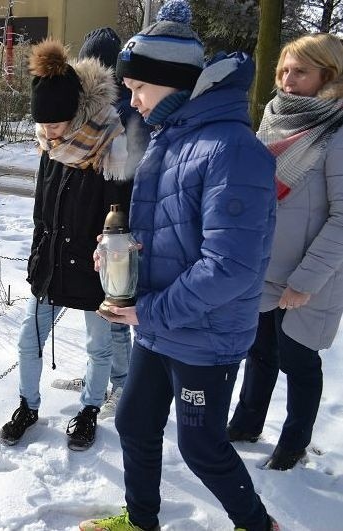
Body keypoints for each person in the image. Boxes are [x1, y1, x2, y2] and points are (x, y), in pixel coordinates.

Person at [78, 0, 280, 529]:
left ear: (171, 82)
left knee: (201, 446)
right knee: (134, 423)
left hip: (205, 334)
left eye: (139, 88)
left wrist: (148, 312)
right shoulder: (171, 140)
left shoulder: (233, 151)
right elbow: (164, 232)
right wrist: (120, 252)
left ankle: (258, 525)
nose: (133, 100)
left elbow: (229, 267)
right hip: (160, 323)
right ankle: (141, 520)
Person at [0, 38, 133, 451]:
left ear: (74, 114)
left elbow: (120, 215)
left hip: (93, 267)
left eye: (56, 125)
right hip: (51, 263)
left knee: (98, 346)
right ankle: (27, 405)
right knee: (28, 339)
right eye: (43, 126)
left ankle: (90, 410)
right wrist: (39, 254)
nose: (49, 134)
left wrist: (111, 263)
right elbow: (43, 209)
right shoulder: (50, 147)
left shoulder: (110, 145)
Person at [227, 33, 343, 472]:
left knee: (299, 360)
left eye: (301, 71)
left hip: (311, 278)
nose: (288, 80)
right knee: (259, 353)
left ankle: (293, 444)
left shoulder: (337, 134)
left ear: (327, 77)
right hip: (264, 266)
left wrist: (304, 282)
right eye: (284, 70)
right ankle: (245, 424)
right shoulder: (273, 118)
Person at [51, 26, 151, 420]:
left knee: (113, 312)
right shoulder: (95, 111)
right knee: (98, 310)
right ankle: (102, 374)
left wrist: (116, 232)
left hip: (116, 227)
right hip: (97, 226)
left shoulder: (125, 114)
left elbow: (127, 177)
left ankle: (122, 386)